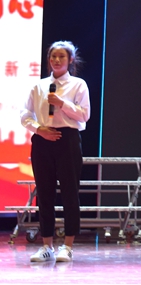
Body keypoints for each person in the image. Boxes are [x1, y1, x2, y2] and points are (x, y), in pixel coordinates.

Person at [23, 41, 90, 263]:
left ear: (70, 60)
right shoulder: (39, 86)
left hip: (67, 139)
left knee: (70, 193)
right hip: (43, 139)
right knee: (44, 194)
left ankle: (68, 246)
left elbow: (84, 115)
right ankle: (46, 246)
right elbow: (25, 115)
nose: (57, 60)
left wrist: (62, 103)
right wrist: (39, 129)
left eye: (62, 56)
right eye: (53, 56)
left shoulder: (78, 85)